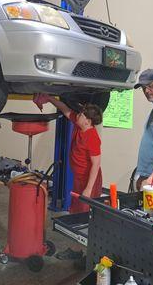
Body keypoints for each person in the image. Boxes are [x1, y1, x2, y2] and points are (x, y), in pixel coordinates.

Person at [34, 94, 103, 262]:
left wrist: (87, 189)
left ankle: (86, 254)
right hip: (79, 180)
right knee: (75, 213)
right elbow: (65, 109)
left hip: (89, 183)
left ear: (88, 121)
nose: (77, 115)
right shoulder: (79, 126)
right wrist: (49, 98)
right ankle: (78, 250)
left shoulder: (92, 137)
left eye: (81, 114)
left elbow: (96, 164)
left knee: (84, 218)